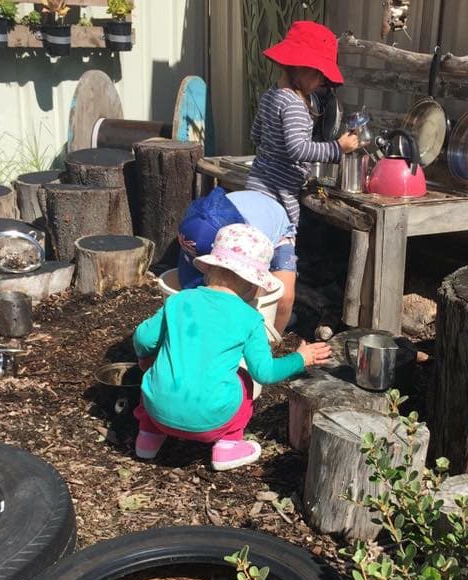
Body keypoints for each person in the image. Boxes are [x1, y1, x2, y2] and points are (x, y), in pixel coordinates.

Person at [133, 224, 332, 470]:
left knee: (159, 371)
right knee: (246, 379)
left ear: (209, 270)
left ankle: (148, 438)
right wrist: (301, 357)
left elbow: (142, 338)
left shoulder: (180, 300)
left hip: (157, 412)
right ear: (253, 284)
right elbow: (265, 373)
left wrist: (146, 358)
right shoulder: (249, 318)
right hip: (212, 423)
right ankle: (228, 445)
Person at [247, 20, 360, 232]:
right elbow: (298, 148)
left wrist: (274, 150)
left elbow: (256, 136)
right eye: (319, 75)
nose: (320, 83)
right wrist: (338, 147)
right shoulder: (294, 105)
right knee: (282, 256)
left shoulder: (269, 95)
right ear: (301, 66)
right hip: (278, 198)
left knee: (255, 255)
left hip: (257, 186)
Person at [177, 188, 298, 333]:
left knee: (283, 297)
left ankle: (271, 340)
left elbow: (255, 285)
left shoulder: (251, 240)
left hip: (275, 231)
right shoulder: (197, 225)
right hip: (230, 215)